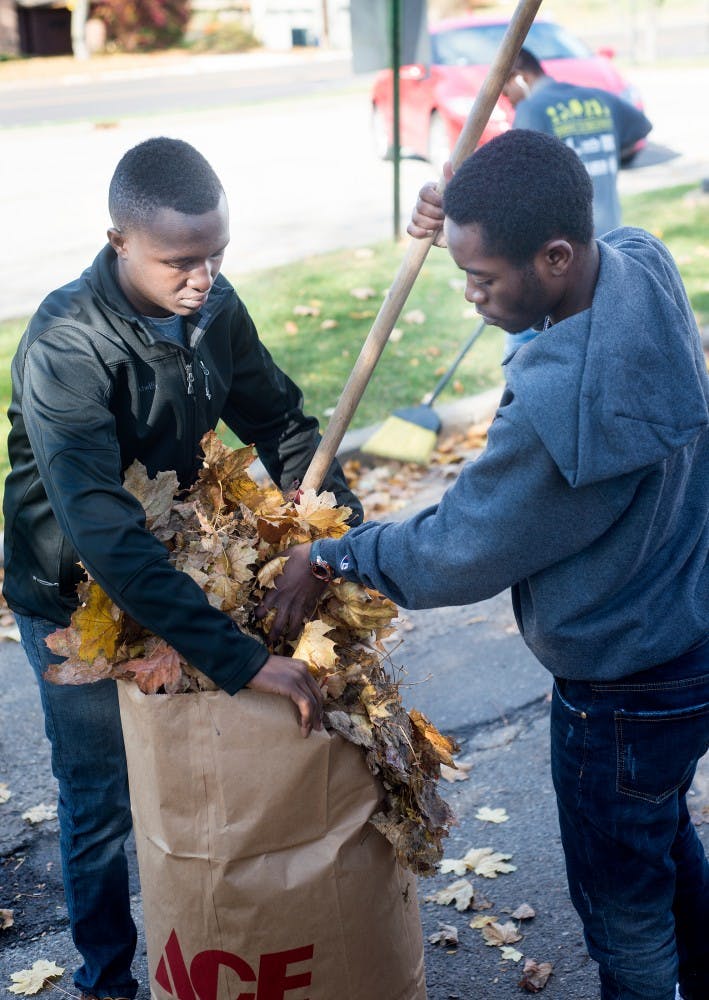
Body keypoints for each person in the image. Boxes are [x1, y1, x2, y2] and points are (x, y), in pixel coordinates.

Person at [260, 130, 709, 1000]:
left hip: (617, 688)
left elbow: (454, 549)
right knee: (658, 840)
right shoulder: (642, 269)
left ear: (552, 258)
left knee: (623, 911)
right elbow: (568, 224)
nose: (468, 296)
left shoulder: (553, 414)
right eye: (460, 271)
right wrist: (459, 201)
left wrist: (334, 553)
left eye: (482, 278)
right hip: (689, 639)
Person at [2, 136, 362, 1000]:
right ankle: (107, 980)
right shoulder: (65, 345)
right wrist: (244, 661)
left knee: (203, 781)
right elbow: (105, 535)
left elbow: (283, 422)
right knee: (101, 803)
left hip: (175, 566)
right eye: (178, 261)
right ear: (118, 241)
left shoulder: (212, 308)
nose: (201, 278)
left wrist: (336, 545)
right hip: (74, 591)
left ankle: (209, 950)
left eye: (216, 255)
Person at [499, 47, 653, 356]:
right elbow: (639, 126)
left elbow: (518, 185)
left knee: (526, 351)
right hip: (606, 250)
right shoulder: (597, 99)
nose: (508, 100)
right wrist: (602, 152)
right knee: (595, 348)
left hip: (559, 258)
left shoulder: (533, 110)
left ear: (519, 76)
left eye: (506, 91)